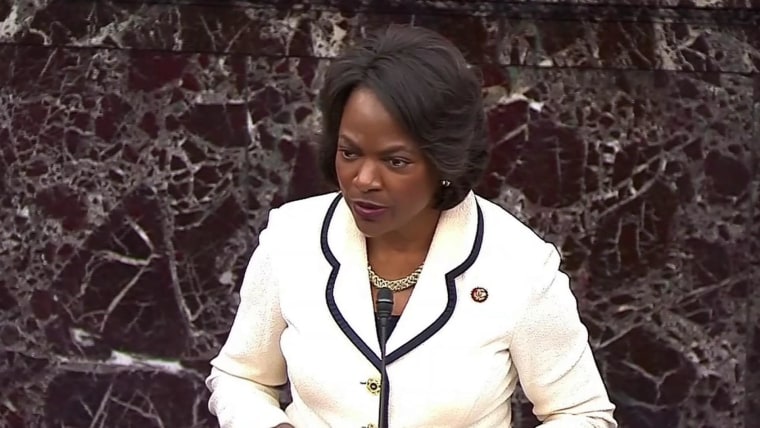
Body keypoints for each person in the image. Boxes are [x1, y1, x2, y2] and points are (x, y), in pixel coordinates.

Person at [205, 24, 617, 428]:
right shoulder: (292, 239)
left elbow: (582, 414)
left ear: (445, 162)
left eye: (396, 161)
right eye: (350, 153)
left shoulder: (520, 266)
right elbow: (240, 377)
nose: (364, 179)